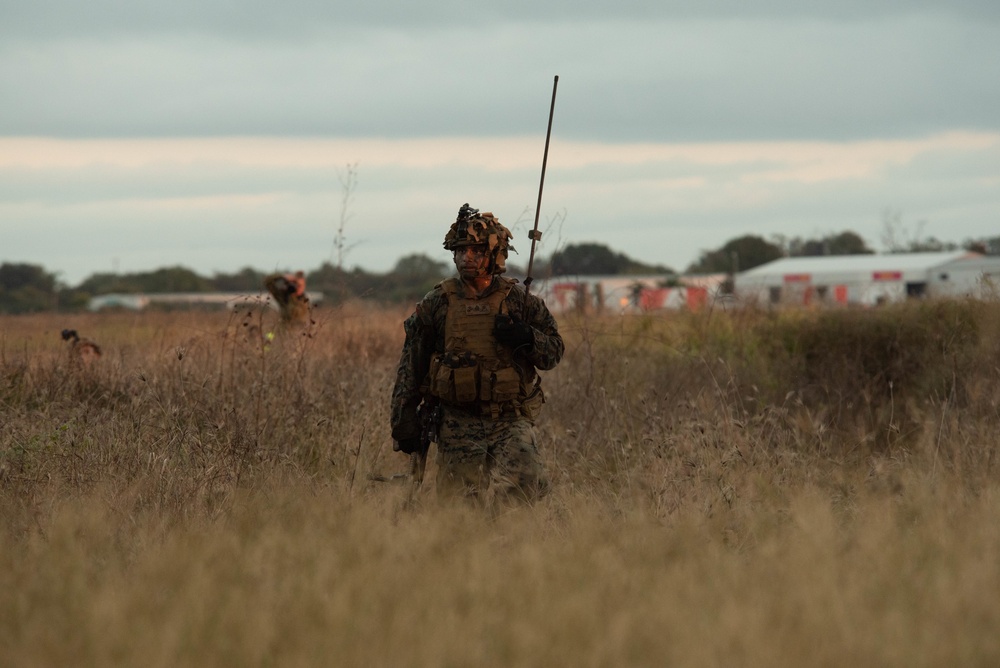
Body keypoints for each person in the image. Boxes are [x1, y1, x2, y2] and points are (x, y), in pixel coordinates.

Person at [390, 203, 564, 508]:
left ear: (494, 255)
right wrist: (403, 420)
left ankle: (507, 544)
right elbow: (411, 364)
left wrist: (525, 337)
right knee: (458, 508)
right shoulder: (438, 302)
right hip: (458, 421)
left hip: (510, 418)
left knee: (526, 486)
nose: (466, 258)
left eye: (475, 251)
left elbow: (553, 353)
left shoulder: (520, 303)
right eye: (460, 251)